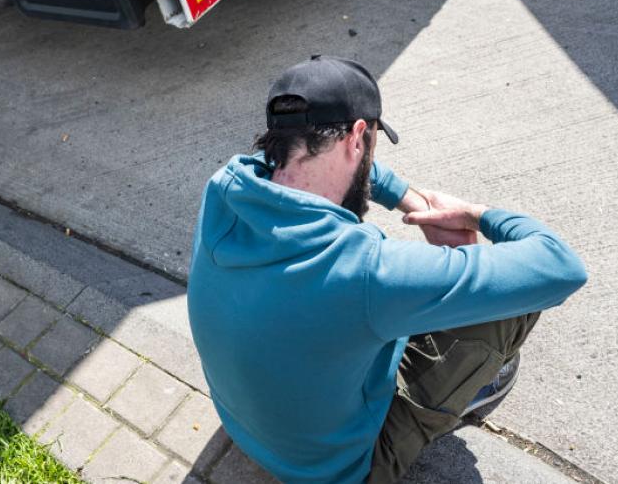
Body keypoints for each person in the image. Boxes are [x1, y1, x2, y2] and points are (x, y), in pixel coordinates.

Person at [188, 55, 587, 483]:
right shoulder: (363, 269)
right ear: (358, 136)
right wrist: (474, 214)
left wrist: (415, 202)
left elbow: (335, 167)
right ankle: (471, 386)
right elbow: (559, 266)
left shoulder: (227, 187)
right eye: (373, 139)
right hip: (339, 471)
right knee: (510, 302)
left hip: (249, 429)